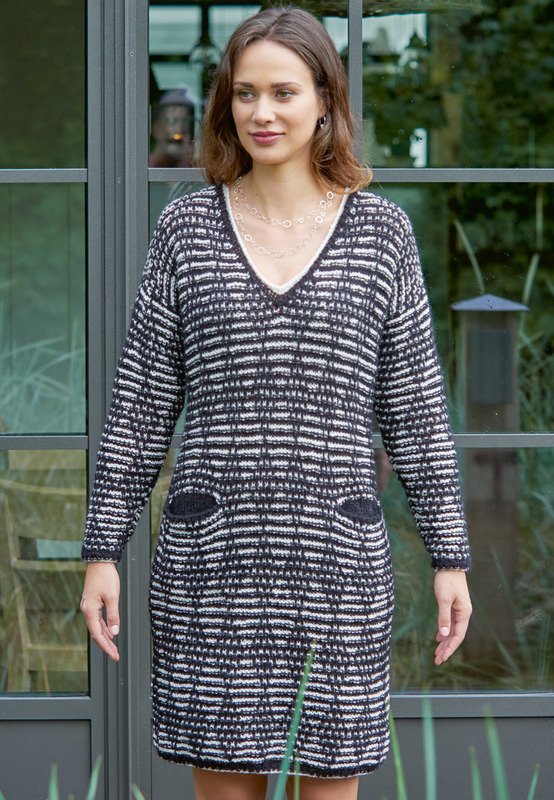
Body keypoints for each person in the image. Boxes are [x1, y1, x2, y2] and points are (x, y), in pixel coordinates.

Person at [80, 6, 472, 800]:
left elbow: (416, 413)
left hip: (336, 566)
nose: (262, 112)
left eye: (284, 92)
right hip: (213, 565)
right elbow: (140, 405)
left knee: (329, 784)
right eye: (245, 92)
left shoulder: (381, 235)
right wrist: (102, 550)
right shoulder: (187, 229)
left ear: (325, 100)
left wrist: (450, 556)